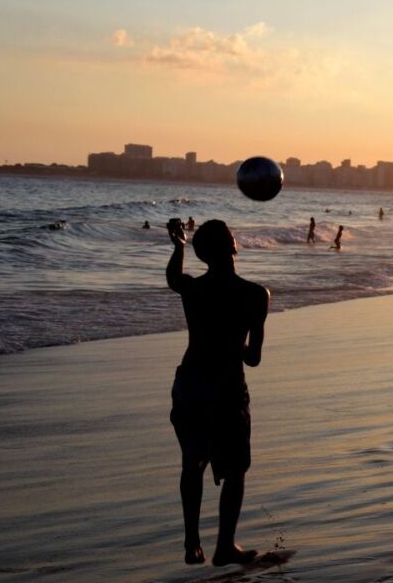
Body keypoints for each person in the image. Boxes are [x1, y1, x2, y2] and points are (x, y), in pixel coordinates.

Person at [165, 219, 269, 567]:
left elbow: (173, 280)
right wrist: (232, 343)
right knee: (236, 469)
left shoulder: (194, 290)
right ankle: (225, 545)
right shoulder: (256, 295)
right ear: (234, 246)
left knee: (192, 463)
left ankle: (192, 542)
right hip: (226, 387)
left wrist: (178, 246)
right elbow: (253, 359)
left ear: (203, 254)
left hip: (191, 383)